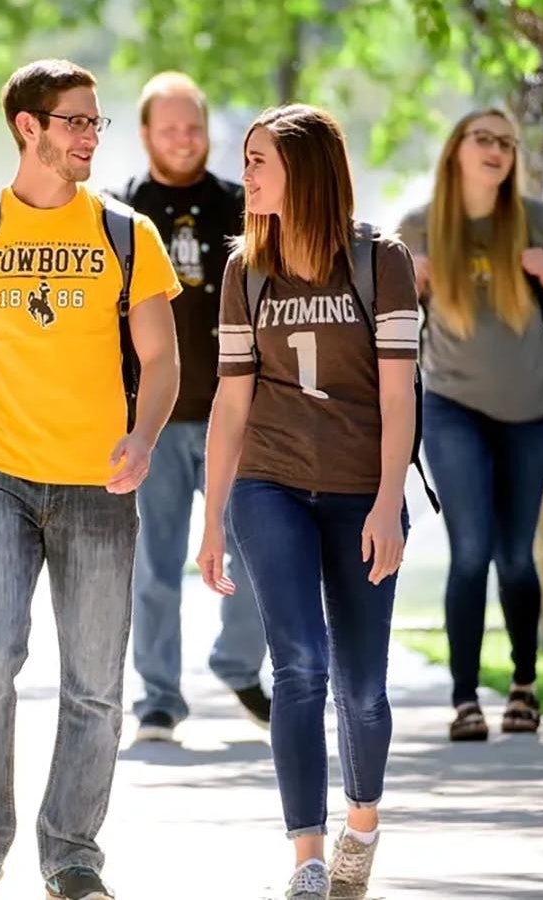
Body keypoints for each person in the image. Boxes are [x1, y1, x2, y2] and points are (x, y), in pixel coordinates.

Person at [0, 58, 181, 900]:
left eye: (96, 122)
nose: (91, 136)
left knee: (96, 683)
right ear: (29, 127)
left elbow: (163, 356)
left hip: (100, 485)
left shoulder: (128, 234)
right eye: (77, 121)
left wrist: (143, 436)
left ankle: (71, 856)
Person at [196, 104, 418, 900]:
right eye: (247, 159)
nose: (246, 174)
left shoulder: (378, 261)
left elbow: (400, 399)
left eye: (259, 161)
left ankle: (363, 824)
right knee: (299, 668)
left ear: (306, 169)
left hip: (363, 491)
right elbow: (230, 403)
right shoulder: (243, 269)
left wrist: (389, 502)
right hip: (271, 484)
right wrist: (215, 515)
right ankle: (307, 861)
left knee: (362, 688)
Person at [396, 108, 543, 742]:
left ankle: (524, 687)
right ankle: (463, 700)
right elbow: (383, 319)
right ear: (456, 150)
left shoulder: (535, 219)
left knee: (515, 557)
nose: (497, 150)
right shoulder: (420, 227)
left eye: (506, 142)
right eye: (484, 139)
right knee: (471, 549)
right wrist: (410, 281)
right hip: (453, 407)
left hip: (531, 411)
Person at [109, 70, 270, 743]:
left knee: (256, 552)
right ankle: (158, 697)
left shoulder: (247, 207)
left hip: (236, 415)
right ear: (145, 133)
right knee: (156, 563)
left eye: (194, 126)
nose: (184, 139)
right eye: (170, 127)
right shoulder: (116, 215)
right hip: (152, 422)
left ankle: (238, 667)